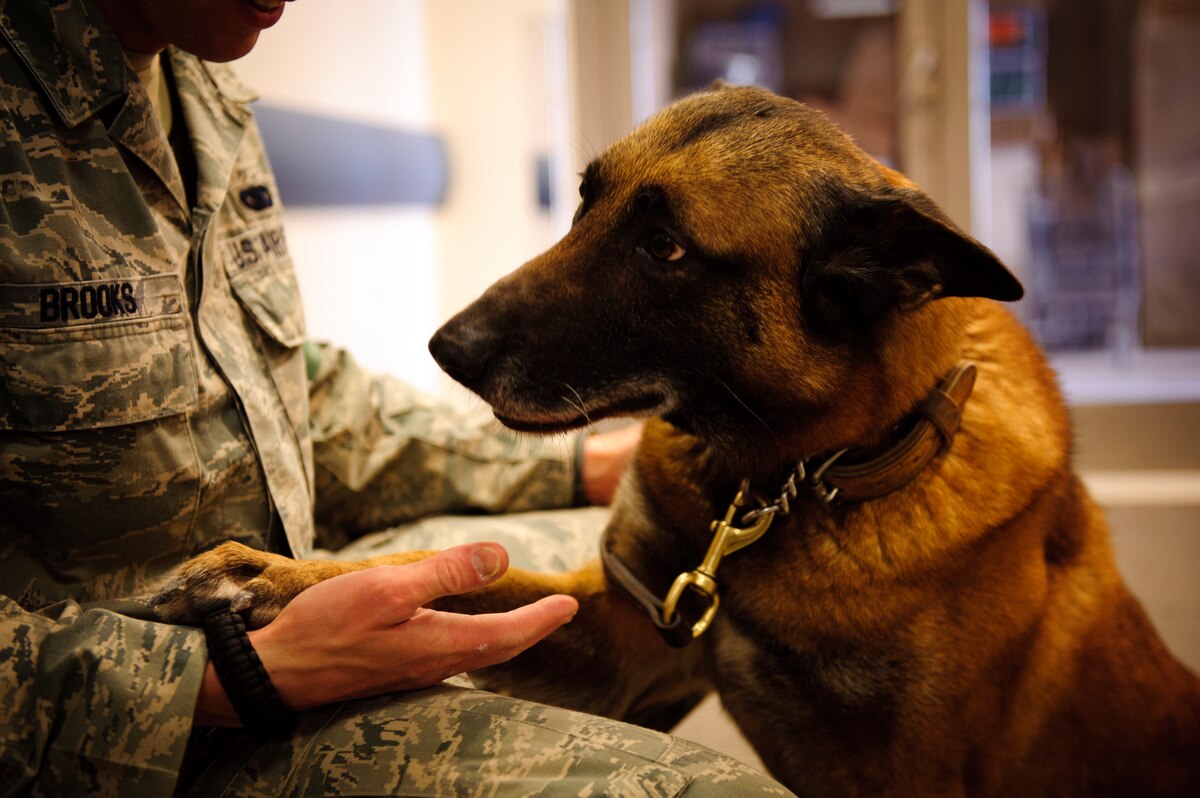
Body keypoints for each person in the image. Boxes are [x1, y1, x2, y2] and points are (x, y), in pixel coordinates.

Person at [0, 1, 795, 795]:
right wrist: (233, 676)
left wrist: (577, 465)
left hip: (263, 603)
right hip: (139, 726)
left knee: (663, 560)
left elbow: (291, 398)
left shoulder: (201, 89)